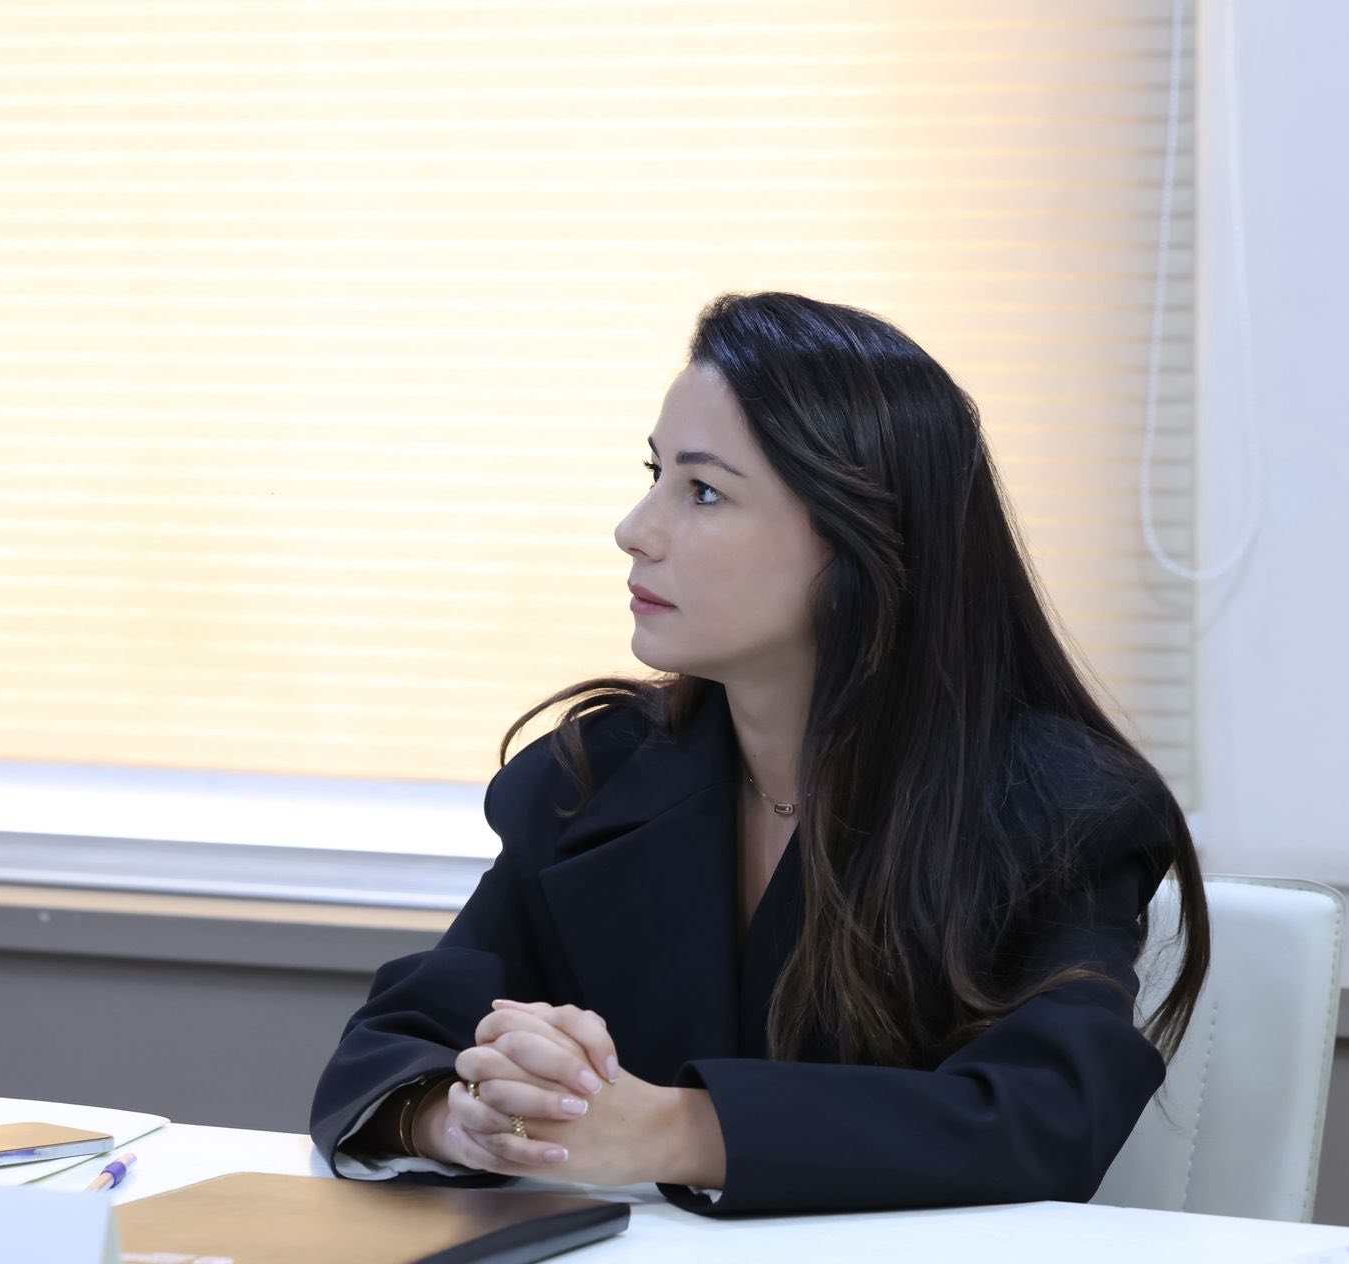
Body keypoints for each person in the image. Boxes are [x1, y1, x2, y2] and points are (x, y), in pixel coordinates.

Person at [309, 291, 1210, 1216]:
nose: (634, 528)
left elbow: (1044, 1118)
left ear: (865, 541)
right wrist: (464, 1117)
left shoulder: (1060, 807)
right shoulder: (597, 774)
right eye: (655, 473)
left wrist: (675, 1129)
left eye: (703, 491)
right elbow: (395, 1040)